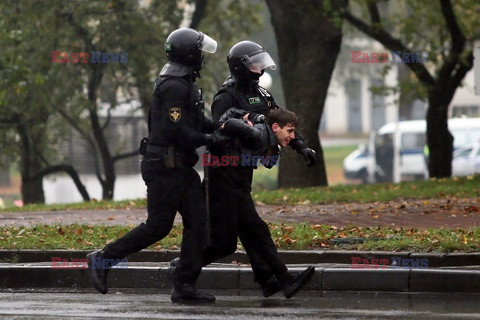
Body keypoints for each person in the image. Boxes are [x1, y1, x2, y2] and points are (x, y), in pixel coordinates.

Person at [86, 27, 225, 303]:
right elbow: (178, 131)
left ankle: (184, 284)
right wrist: (210, 139)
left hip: (181, 168)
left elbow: (194, 121)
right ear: (189, 54)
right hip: (164, 167)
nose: (202, 57)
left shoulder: (184, 81)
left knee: (199, 224)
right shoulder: (173, 85)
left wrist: (221, 127)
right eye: (199, 52)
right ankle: (102, 259)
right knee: (158, 227)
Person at [198, 41, 316, 298]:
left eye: (260, 62)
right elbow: (218, 131)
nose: (259, 68)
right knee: (251, 229)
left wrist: (300, 146)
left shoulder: (262, 94)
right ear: (240, 66)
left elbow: (281, 123)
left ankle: (267, 280)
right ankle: (284, 279)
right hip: (224, 173)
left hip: (243, 172)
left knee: (239, 235)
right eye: (253, 63)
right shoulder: (225, 96)